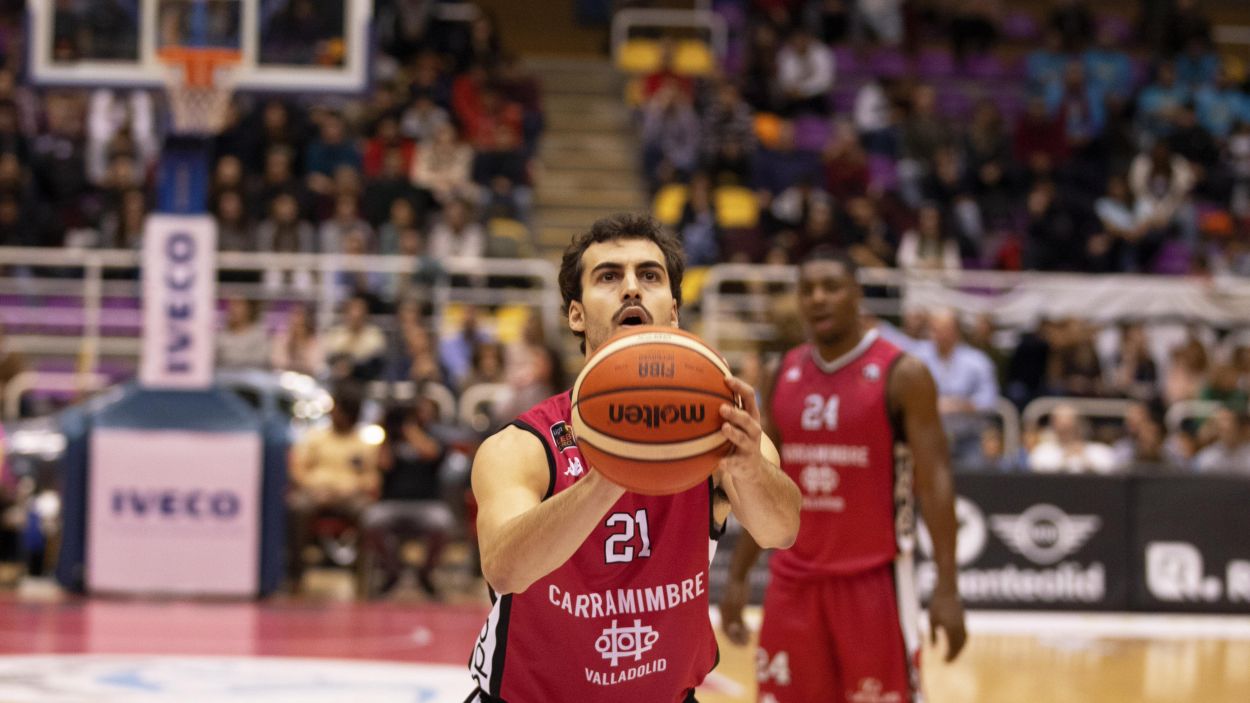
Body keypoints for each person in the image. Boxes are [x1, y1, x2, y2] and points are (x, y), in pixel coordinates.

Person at [466, 214, 801, 702]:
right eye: (608, 276)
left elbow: (781, 530)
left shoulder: (714, 433)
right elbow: (504, 569)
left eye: (650, 275)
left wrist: (747, 464)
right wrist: (612, 472)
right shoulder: (523, 445)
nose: (631, 289)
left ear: (674, 311)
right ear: (576, 315)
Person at [719, 249, 966, 703]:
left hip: (873, 582)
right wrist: (738, 578)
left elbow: (935, 483)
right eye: (807, 290)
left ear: (857, 294)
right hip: (792, 581)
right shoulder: (780, 373)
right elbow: (763, 480)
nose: (817, 299)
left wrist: (948, 588)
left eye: (831, 287)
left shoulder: (904, 373)